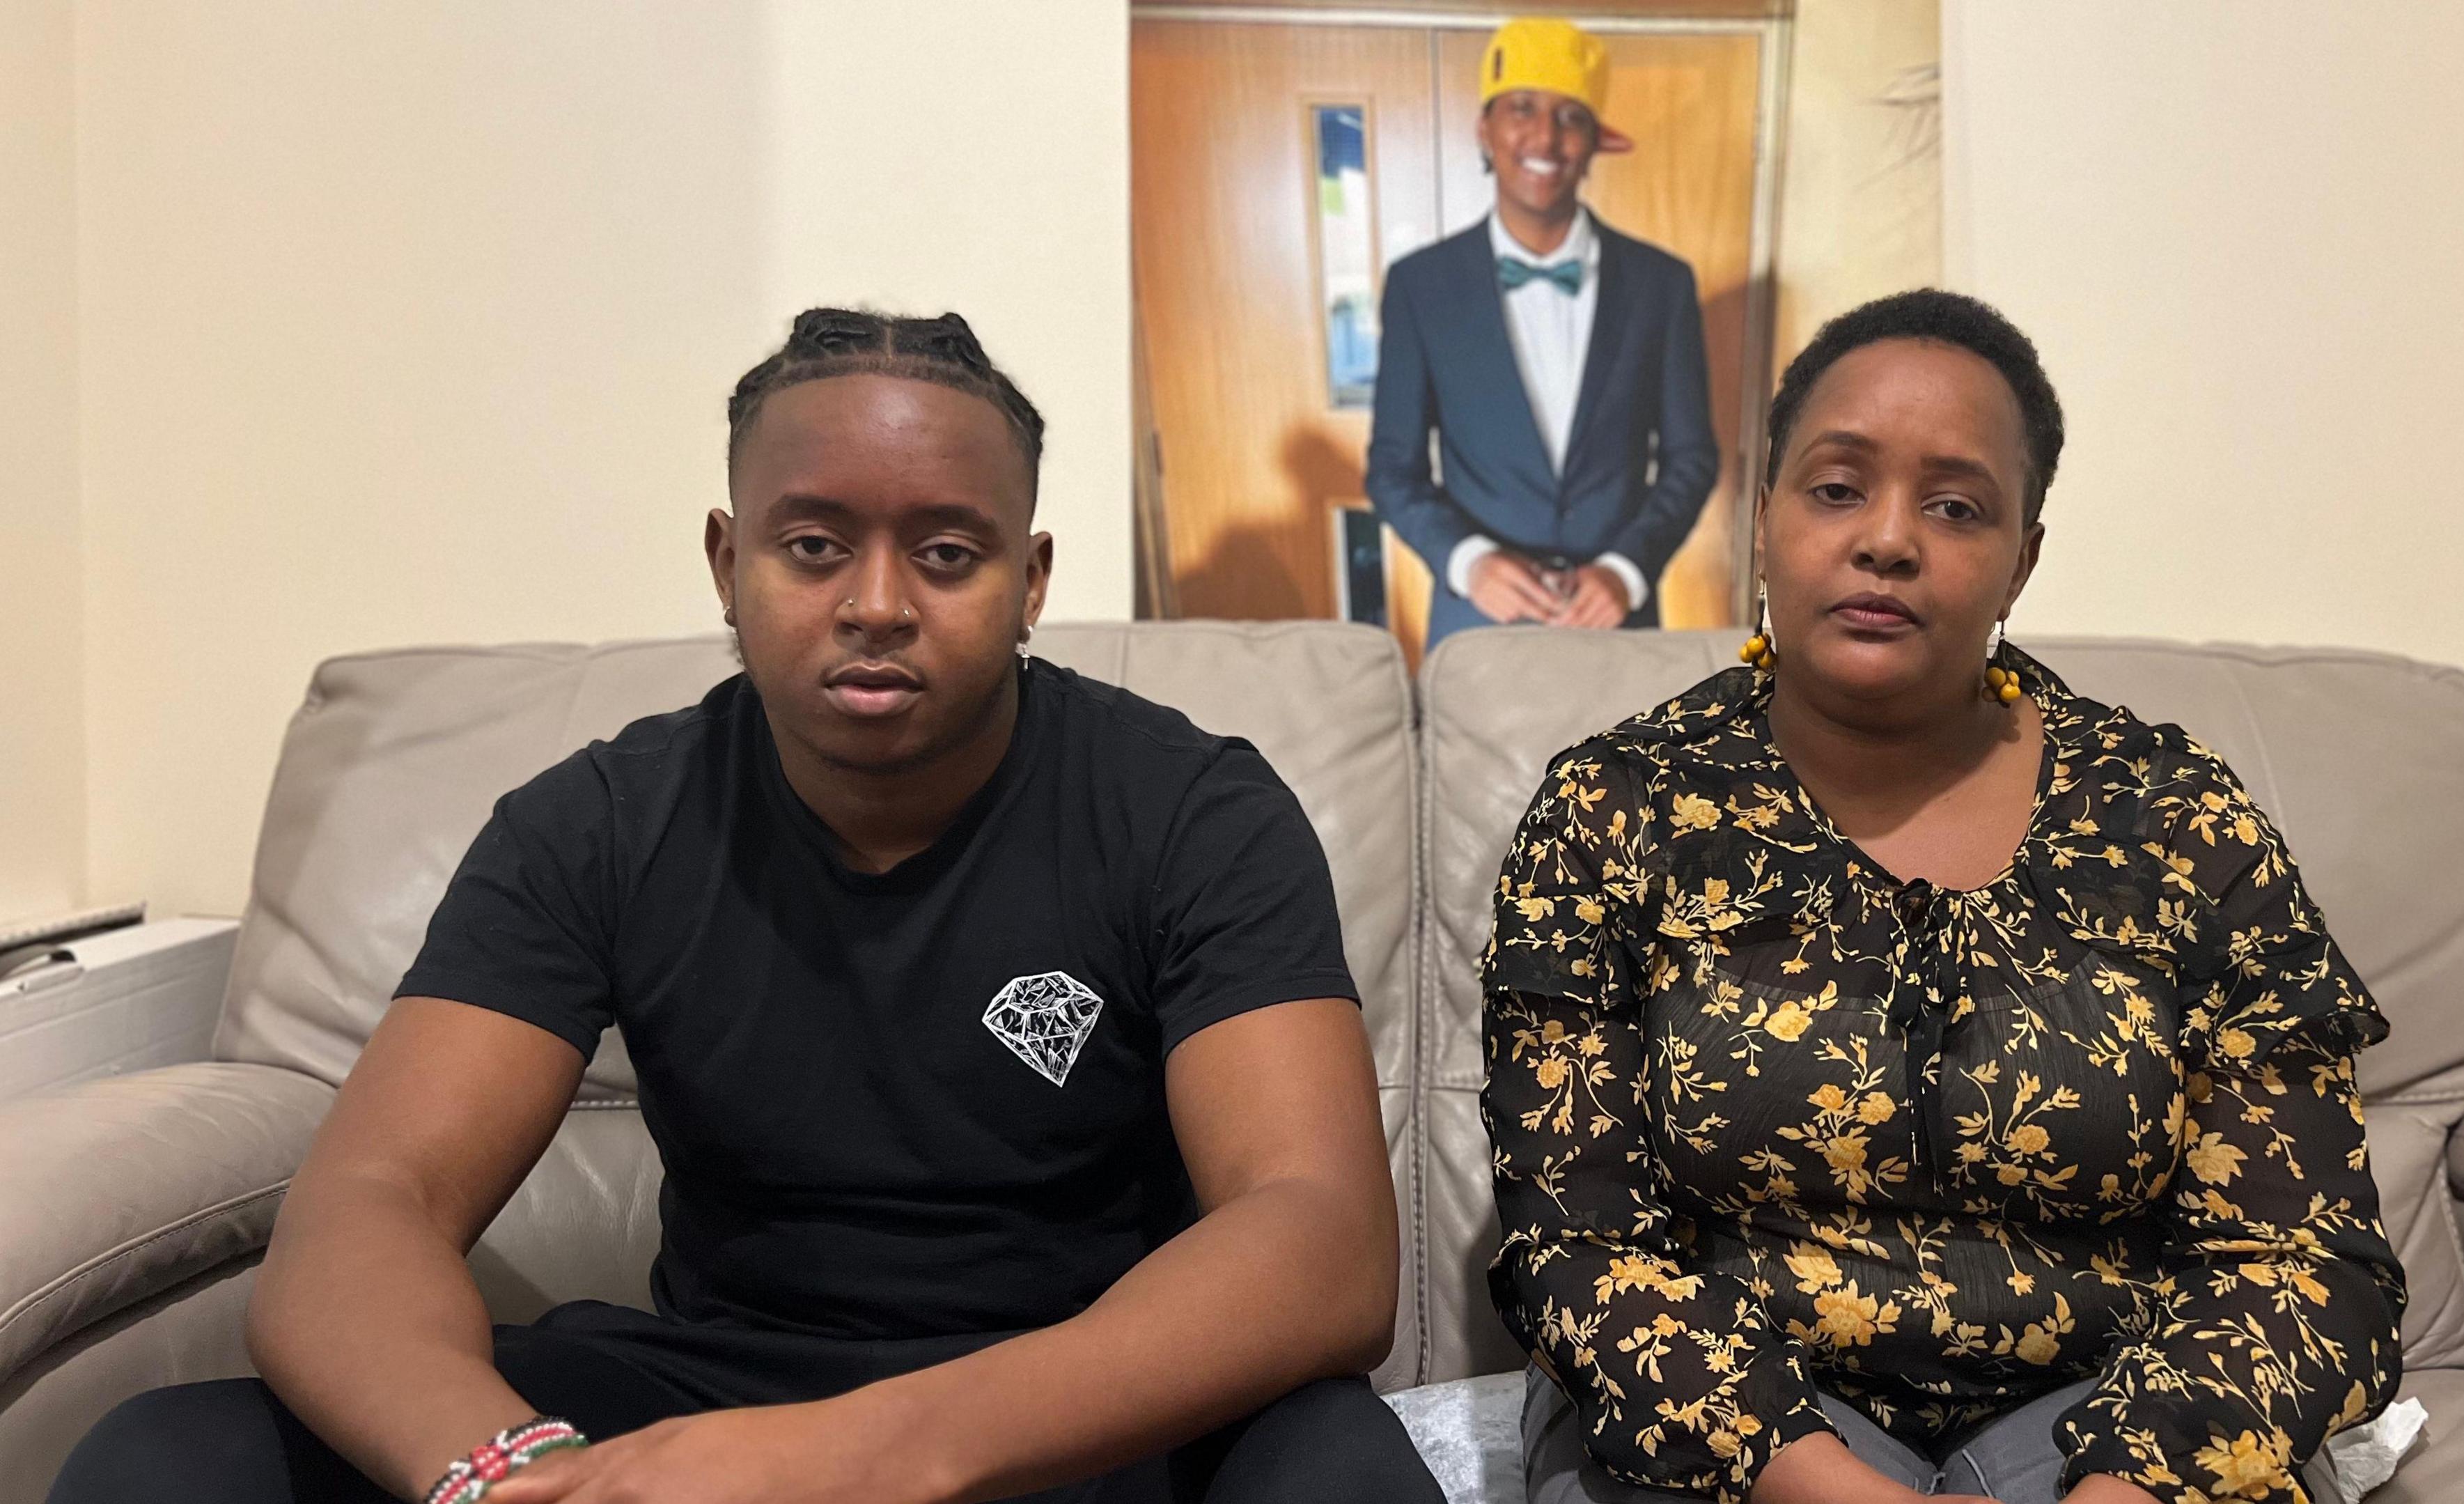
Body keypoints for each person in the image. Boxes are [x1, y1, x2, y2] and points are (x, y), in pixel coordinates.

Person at [54, 309, 1444, 1504]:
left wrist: (863, 1455)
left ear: (1031, 581)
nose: (877, 602)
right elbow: (374, 1195)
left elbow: (1318, 1234)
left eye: (949, 553)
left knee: (1338, 1465)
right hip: (718, 1382)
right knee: (170, 1455)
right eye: (815, 544)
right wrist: (503, 1470)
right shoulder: (598, 820)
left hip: (1076, 1401)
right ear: (730, 562)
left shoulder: (1189, 807)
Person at [1480, 290, 2403, 1504]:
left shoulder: (2176, 816)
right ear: (1762, 518)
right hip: (1736, 1434)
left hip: (2116, 1424)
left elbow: (2304, 1260)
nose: (1889, 540)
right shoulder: (1618, 808)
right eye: (1837, 486)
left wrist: (2122, 1486)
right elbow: (1579, 1244)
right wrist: (1829, 1482)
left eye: (1956, 505)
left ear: (2023, 556)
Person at [1366, 17, 1717, 648]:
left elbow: (1692, 459)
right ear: (1486, 129)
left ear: (1593, 142)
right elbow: (1393, 469)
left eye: (1571, 117)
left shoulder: (1662, 284)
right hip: (1478, 623)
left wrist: (1626, 569)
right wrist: (1469, 560)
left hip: (1617, 620)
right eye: (1522, 108)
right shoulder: (1421, 285)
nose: (1545, 137)